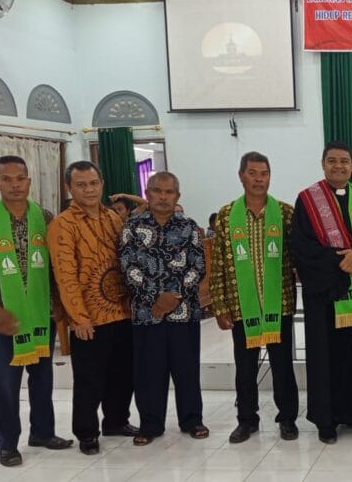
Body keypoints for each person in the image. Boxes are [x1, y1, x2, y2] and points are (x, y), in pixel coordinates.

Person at [0, 155, 72, 466]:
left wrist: (58, 304)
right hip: (4, 318)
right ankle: (7, 443)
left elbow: (53, 265)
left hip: (40, 313)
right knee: (7, 384)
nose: (15, 185)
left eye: (20, 178)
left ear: (29, 181)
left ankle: (43, 432)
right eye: (7, 179)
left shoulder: (45, 217)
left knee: (42, 378)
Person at [292, 141, 352, 444]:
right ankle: (327, 420)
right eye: (332, 160)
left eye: (344, 161)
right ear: (323, 164)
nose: (338, 166)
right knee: (327, 358)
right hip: (327, 298)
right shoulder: (307, 201)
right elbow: (302, 248)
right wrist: (340, 262)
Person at [48, 161, 139, 456]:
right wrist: (78, 317)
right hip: (89, 316)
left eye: (93, 183)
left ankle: (116, 421)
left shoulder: (113, 218)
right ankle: (87, 433)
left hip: (121, 309)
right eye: (81, 185)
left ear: (102, 185)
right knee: (89, 378)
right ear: (69, 188)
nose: (88, 190)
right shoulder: (63, 224)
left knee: (122, 372)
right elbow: (65, 275)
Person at [211, 151, 300, 444]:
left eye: (264, 173)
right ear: (241, 176)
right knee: (245, 367)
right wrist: (220, 304)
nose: (259, 179)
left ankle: (287, 418)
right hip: (241, 304)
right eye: (253, 173)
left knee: (282, 365)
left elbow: (297, 255)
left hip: (280, 302)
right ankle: (247, 420)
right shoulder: (227, 215)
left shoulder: (285, 213)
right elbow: (219, 262)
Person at [118, 171, 208, 445]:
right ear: (147, 194)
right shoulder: (132, 228)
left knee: (187, 370)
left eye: (169, 192)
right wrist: (155, 300)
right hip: (147, 315)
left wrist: (173, 298)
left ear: (177, 196)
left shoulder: (189, 227)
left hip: (184, 313)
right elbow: (128, 268)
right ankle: (150, 424)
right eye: (157, 190)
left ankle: (192, 420)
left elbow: (197, 267)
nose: (163, 197)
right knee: (149, 373)